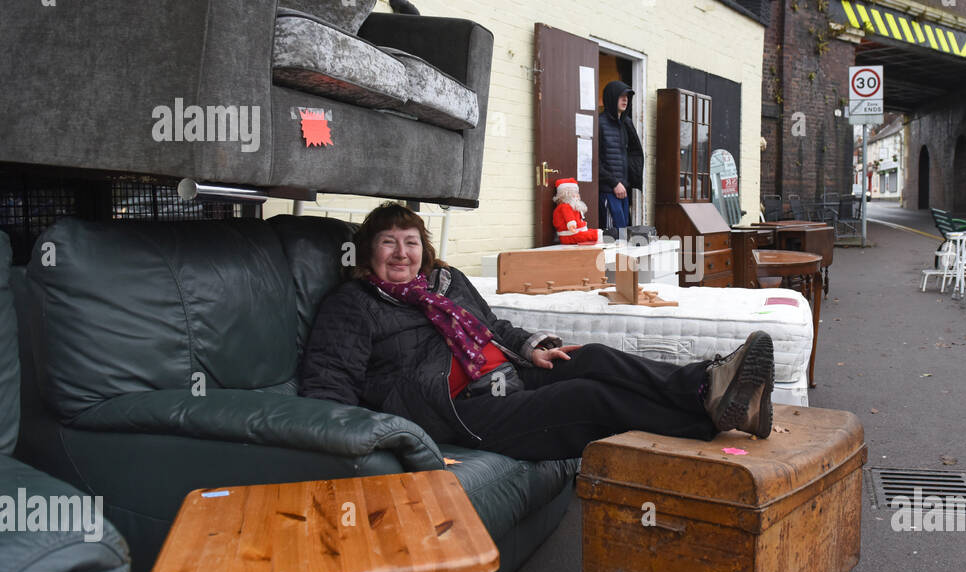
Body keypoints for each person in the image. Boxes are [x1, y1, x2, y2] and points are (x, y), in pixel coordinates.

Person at [299, 202, 774, 461]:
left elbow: (495, 326)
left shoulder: (447, 283)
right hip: (462, 409)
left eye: (410, 243)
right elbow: (329, 383)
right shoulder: (353, 304)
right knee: (586, 396)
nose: (402, 254)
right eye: (388, 243)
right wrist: (360, 444)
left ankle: (705, 386)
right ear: (368, 253)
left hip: (508, 375)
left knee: (591, 357)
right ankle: (717, 416)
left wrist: (532, 346)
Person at [597, 80, 644, 234]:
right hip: (608, 190)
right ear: (611, 98)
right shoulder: (599, 123)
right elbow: (593, 161)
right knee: (612, 236)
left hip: (623, 190)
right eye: (621, 96)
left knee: (624, 236)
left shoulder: (626, 124)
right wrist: (614, 183)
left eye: (627, 96)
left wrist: (628, 182)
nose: (625, 99)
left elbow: (633, 154)